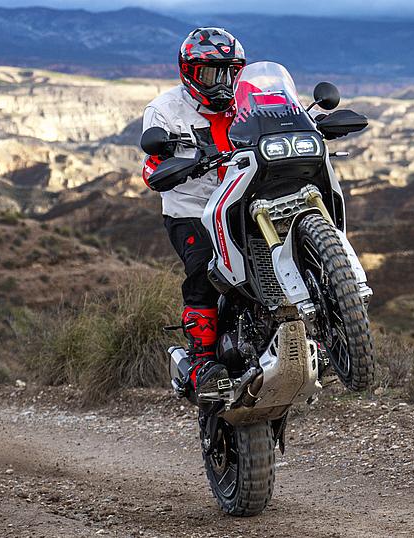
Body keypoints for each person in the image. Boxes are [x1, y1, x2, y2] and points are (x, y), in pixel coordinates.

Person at [139, 27, 245, 398]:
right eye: (212, 73)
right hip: (192, 211)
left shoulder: (246, 102)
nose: (224, 82)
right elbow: (151, 168)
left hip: (242, 201)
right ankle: (201, 361)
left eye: (232, 71)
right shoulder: (164, 110)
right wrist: (178, 167)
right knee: (205, 268)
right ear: (189, 71)